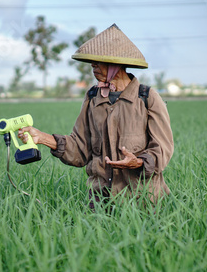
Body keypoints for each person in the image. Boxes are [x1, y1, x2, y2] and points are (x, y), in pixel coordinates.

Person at [18, 24, 173, 208]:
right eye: (92, 61)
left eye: (99, 61)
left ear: (117, 63)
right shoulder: (93, 98)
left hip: (143, 203)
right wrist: (43, 138)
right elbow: (80, 149)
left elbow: (162, 149)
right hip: (100, 204)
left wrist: (138, 162)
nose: (93, 65)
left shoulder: (146, 98)